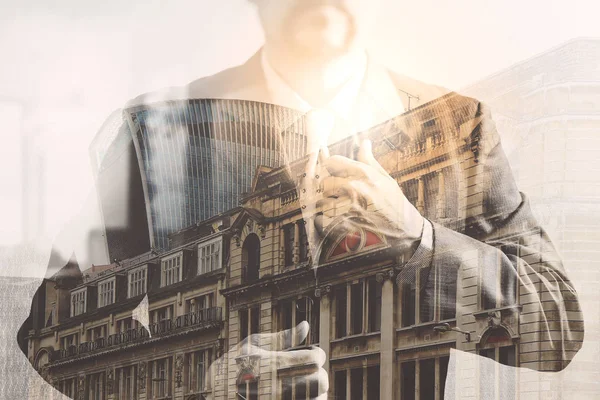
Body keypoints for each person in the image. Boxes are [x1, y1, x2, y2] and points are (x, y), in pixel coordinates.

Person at [19, 1, 584, 399]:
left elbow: (556, 330)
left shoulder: (459, 127)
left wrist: (421, 243)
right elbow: (47, 337)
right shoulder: (159, 133)